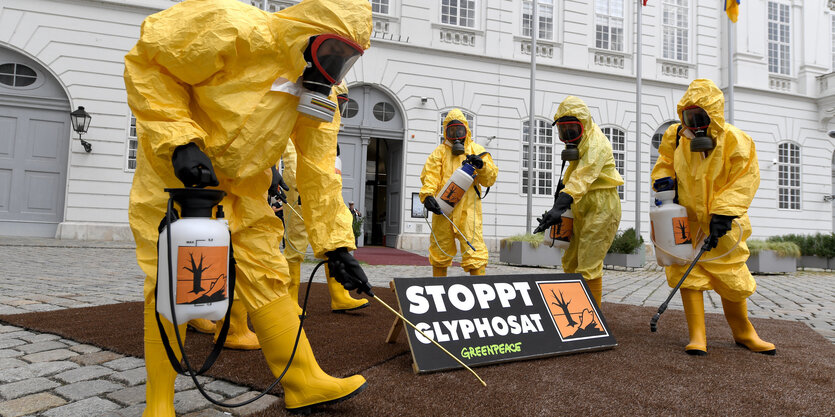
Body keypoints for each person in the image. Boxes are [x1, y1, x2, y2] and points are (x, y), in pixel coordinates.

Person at [123, 0, 373, 414]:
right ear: (308, 30)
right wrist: (180, 141)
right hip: (178, 180)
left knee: (268, 274)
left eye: (344, 59)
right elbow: (151, 66)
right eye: (330, 52)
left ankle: (303, 381)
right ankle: (159, 403)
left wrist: (336, 248)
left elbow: (318, 172)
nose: (331, 67)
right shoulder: (232, 27)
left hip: (246, 190)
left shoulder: (317, 96)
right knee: (172, 279)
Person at [651, 79, 775, 356]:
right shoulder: (675, 137)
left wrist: (726, 211)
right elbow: (664, 166)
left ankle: (744, 332)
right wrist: (665, 187)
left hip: (723, 223)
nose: (695, 125)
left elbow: (745, 179)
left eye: (700, 117)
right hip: (686, 220)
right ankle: (697, 336)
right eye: (689, 117)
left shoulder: (735, 140)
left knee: (731, 274)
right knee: (686, 271)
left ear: (714, 116)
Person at [533, 96, 623, 306]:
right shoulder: (581, 144)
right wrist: (558, 209)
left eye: (573, 129)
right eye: (564, 131)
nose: (569, 136)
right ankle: (574, 313)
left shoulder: (596, 143)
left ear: (584, 124)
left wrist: (559, 207)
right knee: (571, 261)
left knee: (589, 263)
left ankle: (591, 323)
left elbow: (582, 178)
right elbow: (573, 182)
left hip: (602, 206)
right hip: (578, 204)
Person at [282, 138, 369, 313]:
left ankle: (340, 296)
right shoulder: (292, 131)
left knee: (332, 236)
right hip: (300, 170)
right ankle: (290, 298)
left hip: (322, 166)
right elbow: (291, 158)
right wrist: (299, 183)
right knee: (296, 238)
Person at [420, 109, 498, 276]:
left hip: (469, 211)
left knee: (474, 252)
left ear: (466, 130)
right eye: (452, 131)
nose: (456, 136)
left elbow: (489, 179)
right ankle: (438, 290)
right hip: (443, 209)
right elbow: (430, 176)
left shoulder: (477, 150)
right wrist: (427, 195)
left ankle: (480, 289)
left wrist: (482, 166)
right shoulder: (439, 153)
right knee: (440, 251)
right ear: (446, 132)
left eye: (459, 131)